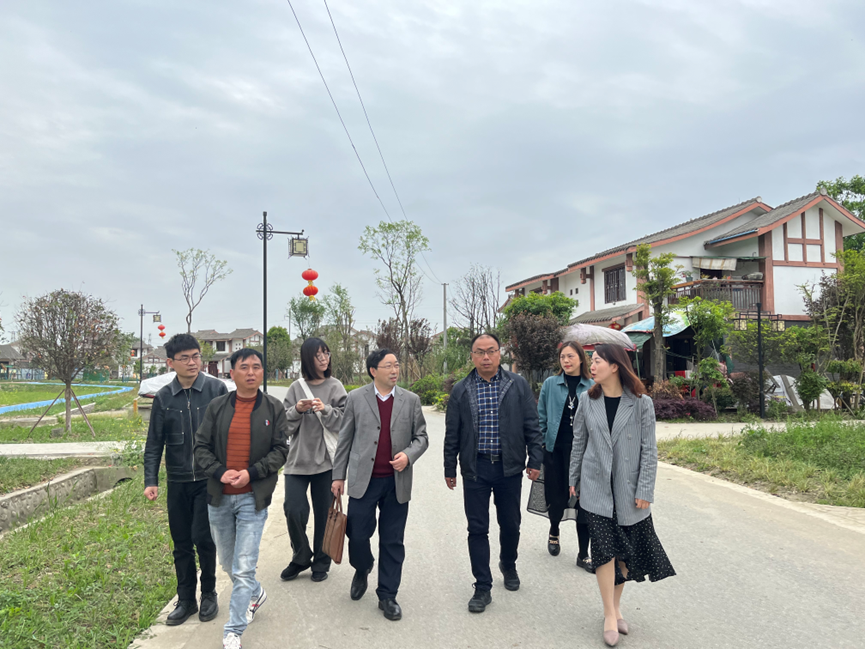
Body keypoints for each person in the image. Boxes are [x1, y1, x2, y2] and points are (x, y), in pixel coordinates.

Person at [568, 344, 675, 647]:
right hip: (596, 488)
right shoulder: (587, 400)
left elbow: (649, 450)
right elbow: (579, 442)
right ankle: (608, 615)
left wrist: (645, 489)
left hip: (629, 490)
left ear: (615, 366)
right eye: (591, 361)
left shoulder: (641, 403)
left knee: (625, 554)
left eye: (597, 361)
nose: (592, 366)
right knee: (604, 551)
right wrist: (573, 479)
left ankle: (616, 607)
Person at [194, 348, 289, 649]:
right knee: (228, 564)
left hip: (252, 496)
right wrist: (220, 472)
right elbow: (200, 447)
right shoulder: (217, 407)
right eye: (244, 367)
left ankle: (233, 630)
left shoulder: (273, 408)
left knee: (244, 566)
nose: (251, 372)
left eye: (256, 367)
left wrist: (251, 473)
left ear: (263, 372)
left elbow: (281, 451)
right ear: (232, 372)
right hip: (219, 496)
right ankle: (255, 593)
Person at [444, 332, 543, 614]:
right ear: (472, 356)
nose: (485, 357)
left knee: (510, 524)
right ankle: (482, 586)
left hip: (508, 467)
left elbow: (532, 425)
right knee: (477, 528)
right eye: (480, 352)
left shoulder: (517, 384)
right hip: (475, 468)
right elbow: (452, 432)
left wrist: (535, 460)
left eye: (491, 351)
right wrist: (449, 467)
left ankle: (508, 564)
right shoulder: (461, 389)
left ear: (500, 353)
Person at [331, 348, 429, 622]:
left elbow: (421, 437)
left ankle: (387, 595)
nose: (395, 370)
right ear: (373, 371)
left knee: (392, 540)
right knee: (357, 534)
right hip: (364, 480)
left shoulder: (411, 400)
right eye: (388, 366)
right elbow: (345, 439)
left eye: (396, 365)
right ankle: (362, 567)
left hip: (396, 482)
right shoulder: (356, 398)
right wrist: (338, 476)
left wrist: (408, 455)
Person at [143, 333, 226, 626]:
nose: (193, 362)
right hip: (177, 480)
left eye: (196, 356)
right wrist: (150, 479)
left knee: (203, 538)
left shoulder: (216, 389)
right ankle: (186, 599)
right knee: (181, 541)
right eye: (185, 358)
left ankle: (209, 593)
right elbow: (155, 442)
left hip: (208, 478)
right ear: (171, 363)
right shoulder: (164, 397)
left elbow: (227, 434)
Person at [280, 338, 347, 583]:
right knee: (293, 509)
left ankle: (321, 562)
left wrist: (326, 410)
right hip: (297, 462)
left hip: (327, 462)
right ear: (307, 359)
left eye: (326, 353)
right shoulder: (295, 387)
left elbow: (346, 422)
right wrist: (297, 410)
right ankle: (301, 555)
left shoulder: (336, 386)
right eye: (318, 355)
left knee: (324, 514)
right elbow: (283, 427)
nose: (324, 359)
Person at [537, 340, 594, 571]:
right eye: (562, 357)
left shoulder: (592, 386)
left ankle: (583, 554)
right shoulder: (551, 384)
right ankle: (554, 530)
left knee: (584, 502)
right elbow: (541, 414)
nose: (566, 361)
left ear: (581, 358)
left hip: (584, 453)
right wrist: (543, 442)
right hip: (556, 450)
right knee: (556, 496)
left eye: (570, 356)